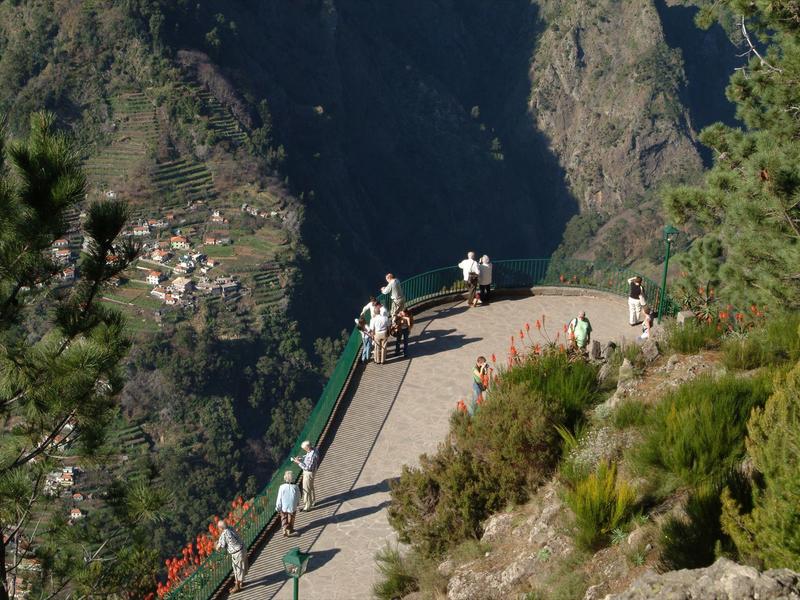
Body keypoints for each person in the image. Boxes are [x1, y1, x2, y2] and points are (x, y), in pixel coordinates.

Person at [215, 520, 248, 593]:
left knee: (237, 569)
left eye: (218, 527)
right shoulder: (231, 528)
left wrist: (216, 545)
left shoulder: (224, 534)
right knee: (241, 567)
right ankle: (241, 582)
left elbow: (220, 546)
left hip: (237, 553)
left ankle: (237, 587)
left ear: (220, 528)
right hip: (243, 548)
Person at [292, 441, 319, 512]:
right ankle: (313, 501)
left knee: (306, 489)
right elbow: (308, 457)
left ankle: (307, 506)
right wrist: (302, 458)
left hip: (309, 473)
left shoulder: (312, 455)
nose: (304, 450)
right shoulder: (314, 449)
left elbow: (308, 467)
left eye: (305, 449)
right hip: (313, 471)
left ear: (307, 447)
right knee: (311, 486)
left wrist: (298, 463)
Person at [276, 470, 300, 537]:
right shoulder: (296, 487)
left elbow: (279, 498)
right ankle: (290, 529)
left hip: (284, 506)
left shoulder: (281, 487)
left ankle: (284, 529)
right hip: (292, 506)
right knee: (291, 518)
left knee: (283, 517)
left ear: (285, 478)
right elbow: (298, 496)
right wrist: (297, 503)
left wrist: (278, 507)